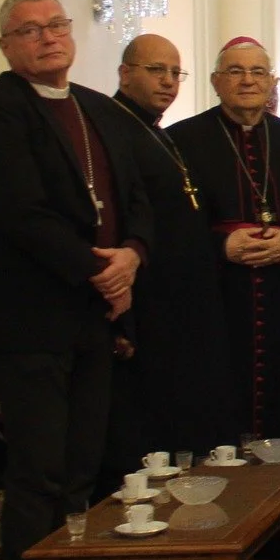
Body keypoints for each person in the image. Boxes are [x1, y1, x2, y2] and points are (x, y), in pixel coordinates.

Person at [0, 0, 146, 560]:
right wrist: (103, 271)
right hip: (26, 321)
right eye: (29, 31)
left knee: (78, 473)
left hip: (90, 318)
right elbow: (21, 215)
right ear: (6, 45)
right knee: (38, 475)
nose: (47, 37)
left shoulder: (95, 109)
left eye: (56, 25)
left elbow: (134, 197)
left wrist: (134, 255)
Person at [167, 38, 280, 445]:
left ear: (272, 81)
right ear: (215, 81)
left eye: (258, 72)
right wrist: (220, 247)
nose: (248, 81)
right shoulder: (181, 141)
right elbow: (166, 228)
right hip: (213, 300)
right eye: (236, 72)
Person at [105, 34, 235, 479]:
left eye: (175, 72)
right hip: (148, 304)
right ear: (125, 74)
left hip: (181, 303)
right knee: (150, 428)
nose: (168, 82)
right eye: (156, 70)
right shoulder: (113, 130)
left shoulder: (155, 130)